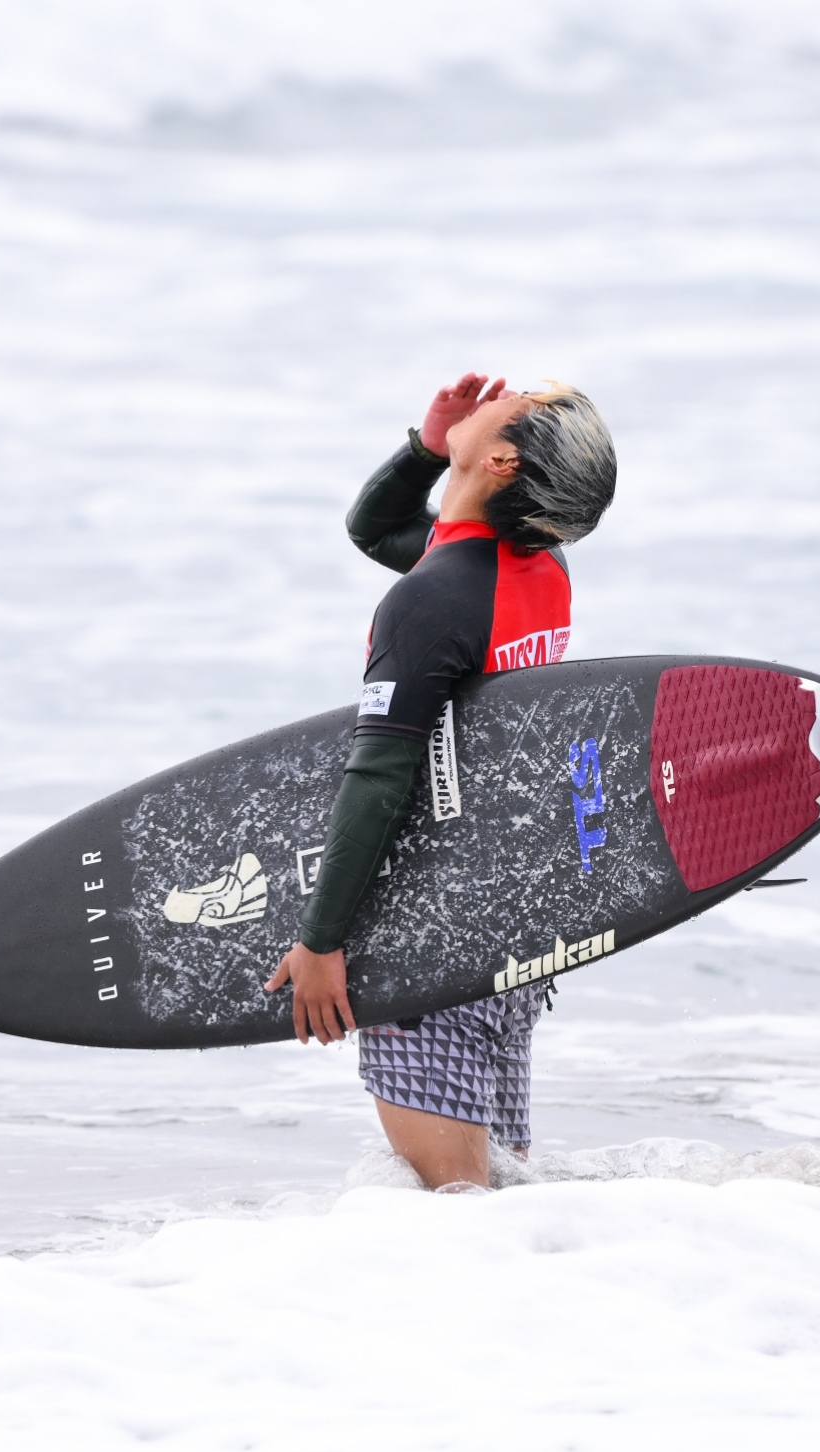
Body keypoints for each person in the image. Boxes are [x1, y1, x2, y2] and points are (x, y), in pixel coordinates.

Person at [265, 372, 617, 1190]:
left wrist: (321, 941)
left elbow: (379, 776)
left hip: (434, 927)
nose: (502, 392)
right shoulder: (536, 564)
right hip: (509, 921)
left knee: (453, 1203)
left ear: (500, 461)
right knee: (501, 1190)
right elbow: (377, 530)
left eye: (518, 402)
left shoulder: (433, 599)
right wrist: (425, 449)